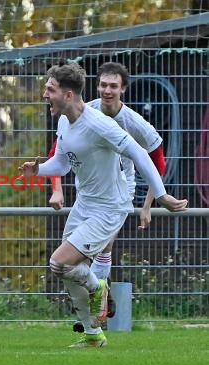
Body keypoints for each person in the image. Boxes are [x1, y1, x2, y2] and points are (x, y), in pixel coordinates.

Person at [18, 62, 187, 348]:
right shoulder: (63, 120)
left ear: (68, 94)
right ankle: (93, 335)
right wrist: (39, 171)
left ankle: (99, 287)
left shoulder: (99, 124)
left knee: (59, 262)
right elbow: (61, 162)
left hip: (110, 208)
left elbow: (141, 153)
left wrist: (160, 196)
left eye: (50, 89)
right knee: (68, 272)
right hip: (84, 203)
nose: (45, 95)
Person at [46, 62, 168, 332]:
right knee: (73, 261)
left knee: (94, 251)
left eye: (113, 86)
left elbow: (156, 161)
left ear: (123, 89)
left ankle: (94, 309)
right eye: (102, 85)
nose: (107, 90)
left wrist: (149, 204)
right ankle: (95, 316)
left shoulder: (134, 123)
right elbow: (59, 151)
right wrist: (57, 188)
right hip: (86, 191)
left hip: (117, 195)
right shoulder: (82, 111)